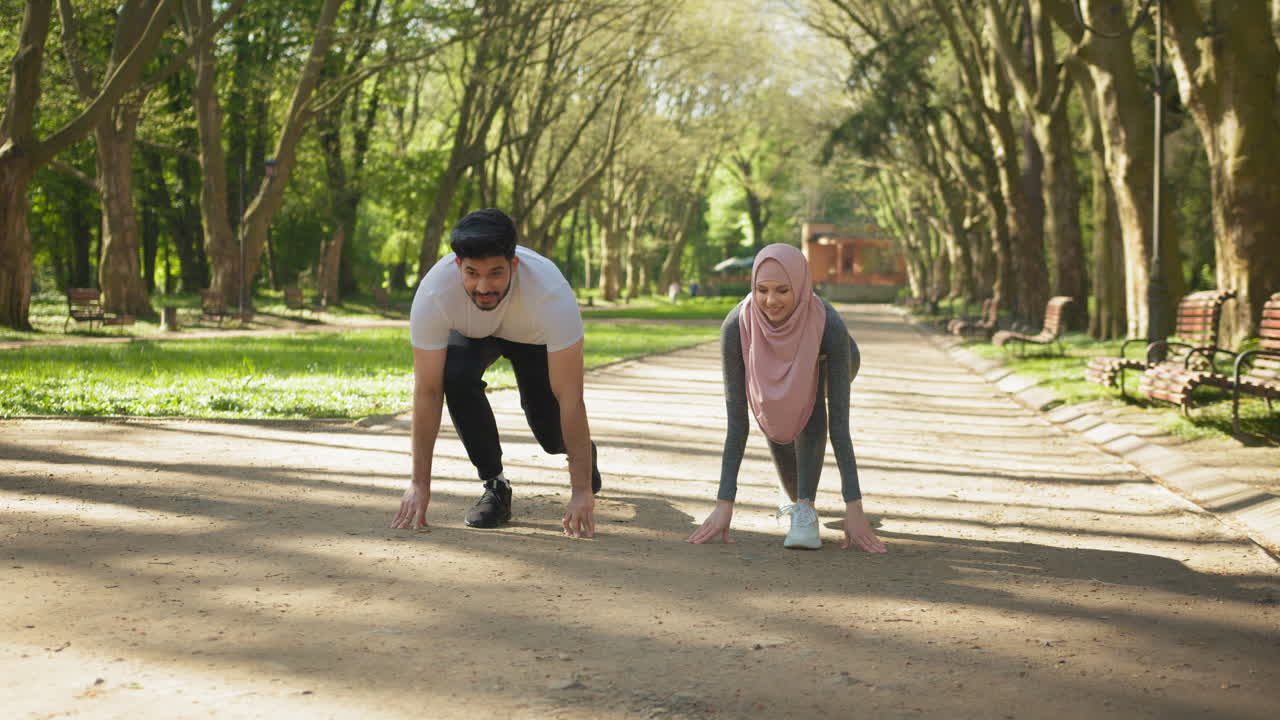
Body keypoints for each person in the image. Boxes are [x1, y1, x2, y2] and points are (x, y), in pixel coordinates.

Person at [392, 208, 601, 538]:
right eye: (472, 273)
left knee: (549, 430)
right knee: (455, 376)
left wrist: (581, 492)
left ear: (514, 265)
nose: (483, 286)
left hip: (533, 339)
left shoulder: (551, 294)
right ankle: (495, 485)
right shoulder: (434, 293)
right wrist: (419, 485)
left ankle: (583, 453)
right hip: (473, 332)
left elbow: (571, 396)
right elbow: (427, 392)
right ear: (458, 266)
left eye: (495, 273)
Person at [687, 243, 886, 552]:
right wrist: (724, 503)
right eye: (762, 290)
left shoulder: (827, 322)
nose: (770, 300)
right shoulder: (737, 324)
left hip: (833, 362)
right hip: (773, 377)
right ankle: (794, 493)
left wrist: (854, 508)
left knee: (808, 396)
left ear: (800, 286)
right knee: (773, 405)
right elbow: (737, 423)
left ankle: (805, 507)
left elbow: (840, 428)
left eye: (782, 290)